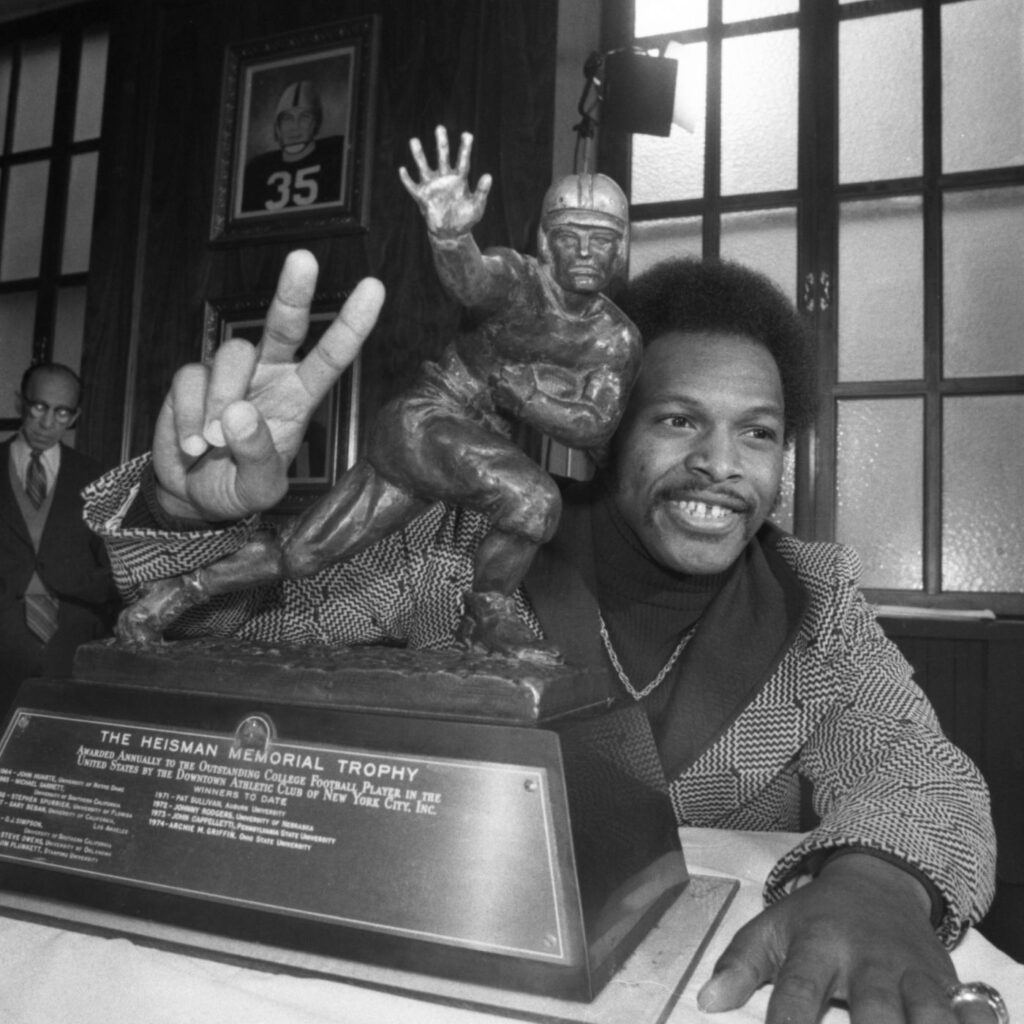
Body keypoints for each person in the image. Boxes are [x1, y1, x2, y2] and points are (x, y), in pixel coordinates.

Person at [83, 252, 996, 1024]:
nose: (721, 465)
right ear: (607, 430)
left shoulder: (817, 599)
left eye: (756, 433)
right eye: (679, 420)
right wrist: (180, 515)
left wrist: (876, 882)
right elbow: (225, 648)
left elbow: (915, 766)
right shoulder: (457, 548)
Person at [119, 127, 641, 659]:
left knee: (302, 556)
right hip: (425, 423)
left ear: (621, 247)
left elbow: (594, 423)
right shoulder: (518, 280)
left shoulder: (614, 338)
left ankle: (174, 594)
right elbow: (475, 282)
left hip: (465, 462)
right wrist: (451, 238)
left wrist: (521, 395)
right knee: (531, 500)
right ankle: (487, 612)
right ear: (545, 241)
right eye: (570, 235)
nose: (583, 251)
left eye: (600, 239)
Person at [1, 362, 117, 704]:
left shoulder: (98, 479)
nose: (48, 423)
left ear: (75, 415)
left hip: (74, 641)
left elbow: (120, 573)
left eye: (62, 413)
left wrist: (74, 579)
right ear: (19, 403)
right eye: (39, 407)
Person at [240, 79, 346, 214]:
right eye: (287, 118)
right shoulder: (256, 169)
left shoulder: (337, 156)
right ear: (277, 127)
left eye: (304, 118)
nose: (295, 127)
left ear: (316, 124)